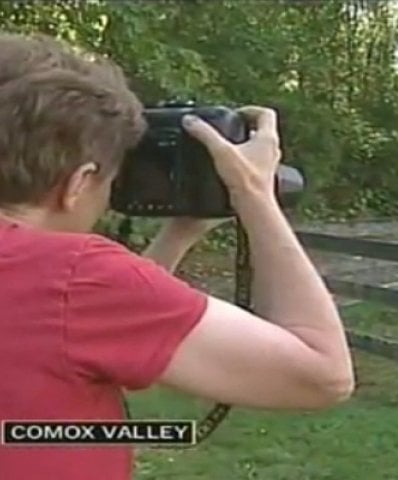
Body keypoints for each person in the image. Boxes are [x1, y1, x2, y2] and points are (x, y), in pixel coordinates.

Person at [0, 33, 355, 480]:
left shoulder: (72, 294)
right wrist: (253, 194)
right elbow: (322, 375)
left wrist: (180, 233)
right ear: (77, 183)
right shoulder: (75, 277)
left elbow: (89, 336)